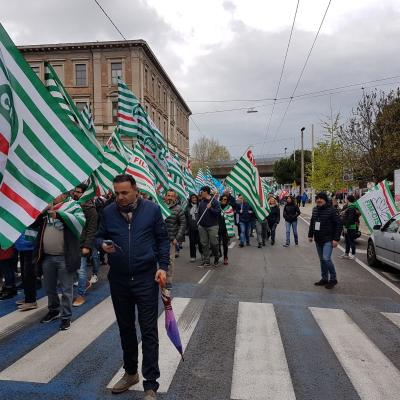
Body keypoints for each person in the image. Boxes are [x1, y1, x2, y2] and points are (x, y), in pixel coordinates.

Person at [96, 174, 169, 400]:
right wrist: (102, 245)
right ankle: (130, 373)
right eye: (117, 193)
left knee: (148, 331)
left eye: (124, 192)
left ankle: (150, 384)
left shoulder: (152, 210)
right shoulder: (108, 212)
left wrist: (163, 267)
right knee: (125, 328)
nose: (120, 197)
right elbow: (97, 237)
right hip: (118, 280)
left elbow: (162, 240)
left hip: (146, 278)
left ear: (136, 190)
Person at [35, 193, 81, 330]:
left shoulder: (73, 206)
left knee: (67, 289)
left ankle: (66, 317)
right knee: (49, 288)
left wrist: (59, 215)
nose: (53, 196)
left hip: (64, 257)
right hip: (47, 257)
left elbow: (80, 222)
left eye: (56, 193)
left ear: (64, 194)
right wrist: (43, 210)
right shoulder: (47, 209)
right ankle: (54, 310)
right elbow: (33, 223)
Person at [72, 184, 99, 307]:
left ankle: (80, 295)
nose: (75, 194)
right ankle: (83, 285)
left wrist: (87, 246)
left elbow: (91, 230)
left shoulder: (91, 210)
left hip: (82, 244)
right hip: (71, 244)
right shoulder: (72, 206)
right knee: (74, 270)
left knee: (81, 271)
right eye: (75, 191)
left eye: (78, 192)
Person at [308, 192, 342, 289]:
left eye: (321, 198)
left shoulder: (332, 210)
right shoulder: (315, 209)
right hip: (318, 239)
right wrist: (310, 235)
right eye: (317, 198)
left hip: (328, 239)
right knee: (322, 260)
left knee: (326, 259)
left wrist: (336, 239)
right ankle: (324, 278)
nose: (319, 200)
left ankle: (333, 279)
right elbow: (312, 222)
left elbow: (338, 225)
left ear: (325, 200)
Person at [14, 226, 39, 310]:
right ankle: (28, 297)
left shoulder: (30, 219)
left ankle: (31, 301)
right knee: (25, 276)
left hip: (29, 249)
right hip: (22, 248)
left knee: (29, 275)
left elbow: (32, 235)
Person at [164, 189, 186, 285]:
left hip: (171, 239)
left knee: (169, 261)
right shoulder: (159, 206)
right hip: (158, 239)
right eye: (168, 195)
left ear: (175, 198)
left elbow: (183, 224)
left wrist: (177, 238)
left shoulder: (179, 209)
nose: (170, 197)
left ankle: (168, 281)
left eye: (172, 196)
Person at [197, 186, 221, 267]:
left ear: (206, 192)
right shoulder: (201, 202)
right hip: (202, 226)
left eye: (202, 192)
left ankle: (216, 257)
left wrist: (211, 208)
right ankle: (206, 260)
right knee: (204, 244)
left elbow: (218, 212)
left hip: (213, 226)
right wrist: (198, 223)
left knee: (214, 243)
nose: (201, 193)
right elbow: (199, 213)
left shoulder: (214, 202)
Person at [339, 195, 360, 260]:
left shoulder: (351, 207)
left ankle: (353, 255)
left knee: (351, 241)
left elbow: (350, 219)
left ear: (348, 200)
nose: (345, 200)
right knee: (347, 241)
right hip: (348, 227)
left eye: (346, 199)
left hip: (350, 227)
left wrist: (346, 227)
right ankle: (346, 254)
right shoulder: (350, 207)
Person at [185, 194, 202, 262]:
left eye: (195, 198)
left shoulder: (200, 206)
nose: (194, 199)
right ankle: (193, 256)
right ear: (190, 199)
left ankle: (202, 254)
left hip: (199, 227)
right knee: (192, 242)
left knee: (200, 242)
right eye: (192, 198)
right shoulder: (187, 207)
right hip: (191, 227)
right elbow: (185, 217)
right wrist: (186, 227)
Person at [219, 195, 235, 264]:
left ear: (227, 200)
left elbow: (231, 218)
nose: (223, 200)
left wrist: (230, 229)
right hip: (217, 227)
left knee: (225, 244)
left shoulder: (229, 208)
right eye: (222, 199)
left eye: (225, 199)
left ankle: (225, 257)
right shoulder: (217, 206)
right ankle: (218, 254)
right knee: (216, 244)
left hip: (226, 228)